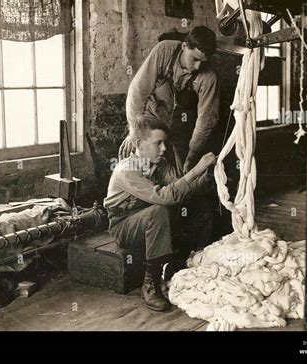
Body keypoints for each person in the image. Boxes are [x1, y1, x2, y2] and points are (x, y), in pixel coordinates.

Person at [104, 115, 216, 311]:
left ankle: (180, 265)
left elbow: (181, 190)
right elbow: (166, 197)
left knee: (200, 207)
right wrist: (196, 170)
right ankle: (151, 284)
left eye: (164, 142)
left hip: (152, 221)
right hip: (124, 226)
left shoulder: (160, 164)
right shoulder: (126, 170)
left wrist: (206, 178)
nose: (164, 148)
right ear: (139, 144)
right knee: (159, 211)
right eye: (158, 143)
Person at [120, 25, 219, 176]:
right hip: (154, 118)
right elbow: (138, 92)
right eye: (195, 59)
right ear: (184, 46)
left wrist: (191, 155)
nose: (198, 66)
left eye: (203, 62)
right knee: (138, 162)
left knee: (182, 174)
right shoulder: (164, 51)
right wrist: (134, 132)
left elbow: (206, 121)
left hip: (183, 126)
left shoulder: (209, 77)